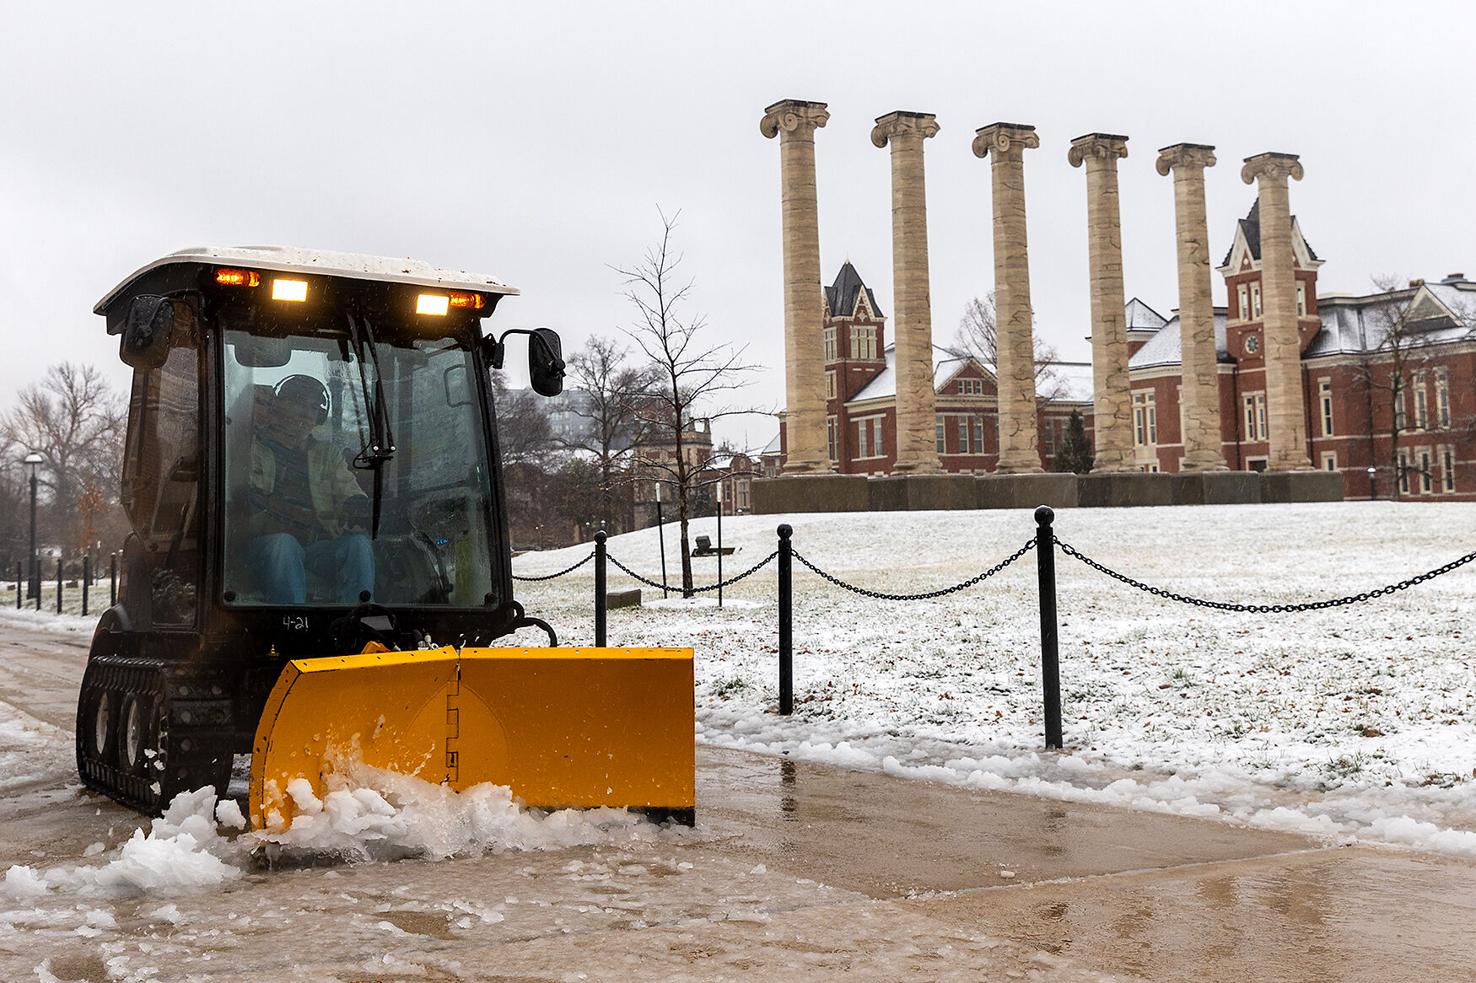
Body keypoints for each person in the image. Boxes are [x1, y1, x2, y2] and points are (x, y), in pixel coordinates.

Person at [245, 375, 374, 604]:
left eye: (313, 407)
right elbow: (247, 505)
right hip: (265, 548)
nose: (306, 413)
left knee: (358, 545)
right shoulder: (252, 447)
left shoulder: (328, 454)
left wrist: (356, 502)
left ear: (320, 417)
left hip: (315, 548)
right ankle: (294, 625)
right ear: (278, 404)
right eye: (298, 403)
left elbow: (348, 489)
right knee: (284, 544)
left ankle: (359, 622)